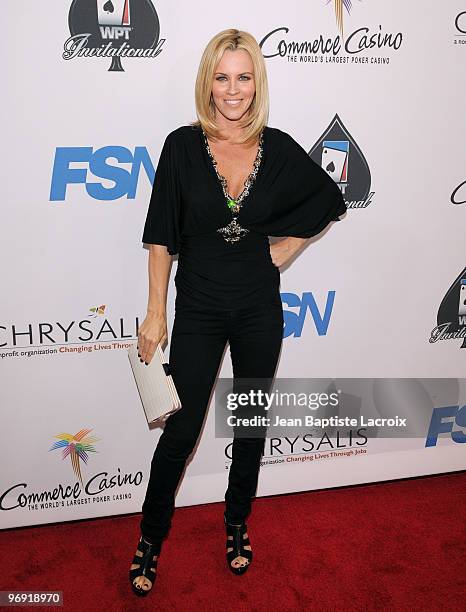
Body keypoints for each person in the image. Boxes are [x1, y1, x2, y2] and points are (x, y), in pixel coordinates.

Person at [129, 28, 346, 596]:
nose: (233, 90)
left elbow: (330, 198)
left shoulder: (276, 148)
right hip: (198, 306)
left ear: (257, 82)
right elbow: (160, 240)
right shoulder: (180, 146)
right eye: (222, 77)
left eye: (243, 77)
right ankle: (150, 536)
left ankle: (235, 524)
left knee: (250, 423)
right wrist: (156, 312)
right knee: (181, 427)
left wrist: (290, 245)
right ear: (208, 82)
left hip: (257, 307)